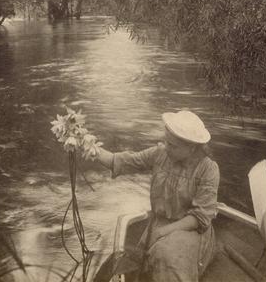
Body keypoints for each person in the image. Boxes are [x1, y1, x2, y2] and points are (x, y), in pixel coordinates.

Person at [94, 110, 219, 282]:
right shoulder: (160, 154)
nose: (166, 147)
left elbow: (200, 218)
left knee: (167, 255)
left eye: (173, 145)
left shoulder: (208, 169)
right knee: (119, 264)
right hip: (158, 224)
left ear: (191, 147)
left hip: (190, 230)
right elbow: (121, 161)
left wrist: (164, 232)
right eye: (166, 141)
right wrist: (87, 147)